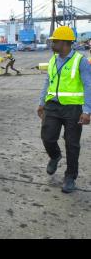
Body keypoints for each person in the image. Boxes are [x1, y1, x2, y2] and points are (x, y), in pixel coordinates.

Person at [37, 26, 91, 193]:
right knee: (47, 136)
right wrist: (41, 102)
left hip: (73, 108)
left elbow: (89, 85)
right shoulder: (53, 59)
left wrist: (87, 110)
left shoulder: (80, 60)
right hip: (52, 106)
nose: (52, 43)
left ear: (65, 43)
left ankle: (70, 177)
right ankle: (55, 156)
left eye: (55, 41)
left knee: (72, 144)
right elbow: (48, 81)